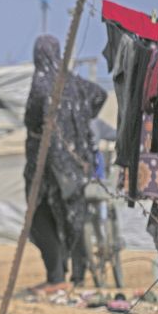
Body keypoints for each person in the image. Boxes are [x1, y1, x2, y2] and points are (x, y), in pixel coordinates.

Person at [24, 35, 106, 294]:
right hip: (76, 163)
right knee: (74, 216)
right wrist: (79, 118)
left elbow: (31, 119)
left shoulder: (42, 83)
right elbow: (100, 94)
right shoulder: (74, 83)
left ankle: (56, 276)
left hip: (47, 167)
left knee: (38, 216)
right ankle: (78, 277)